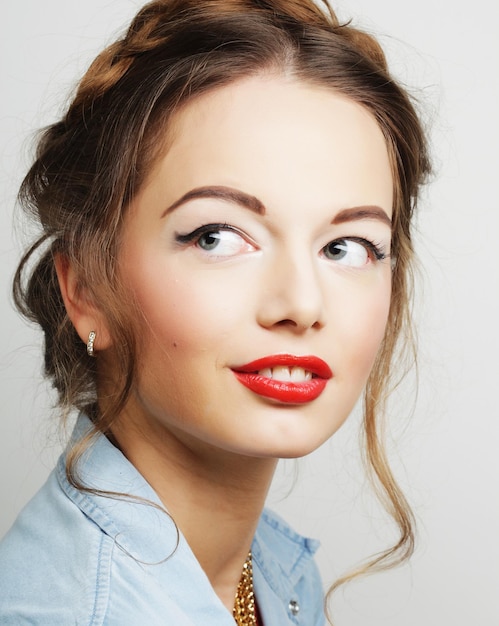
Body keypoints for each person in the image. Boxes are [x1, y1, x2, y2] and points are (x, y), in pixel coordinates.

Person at [0, 0, 430, 624]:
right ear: (85, 289)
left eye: (348, 247)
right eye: (217, 236)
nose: (302, 305)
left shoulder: (269, 569)